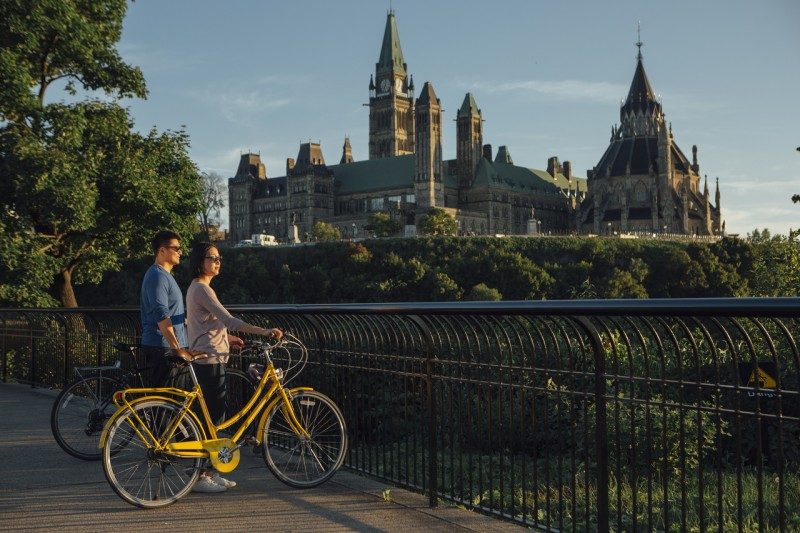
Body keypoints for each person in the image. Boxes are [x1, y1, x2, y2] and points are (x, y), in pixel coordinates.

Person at [186, 241, 283, 493]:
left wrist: (227, 338)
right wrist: (265, 331)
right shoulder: (202, 289)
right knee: (212, 420)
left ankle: (209, 470)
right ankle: (200, 476)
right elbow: (229, 319)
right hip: (208, 360)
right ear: (199, 261)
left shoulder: (199, 289)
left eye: (219, 258)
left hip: (211, 356)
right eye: (212, 258)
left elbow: (205, 323)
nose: (217, 262)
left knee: (214, 417)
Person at [139, 230, 192, 388]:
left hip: (167, 345)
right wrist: (176, 349)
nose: (180, 252)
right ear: (162, 250)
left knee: (172, 403)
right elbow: (161, 313)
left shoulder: (165, 276)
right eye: (176, 248)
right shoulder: (157, 276)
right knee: (166, 402)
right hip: (163, 346)